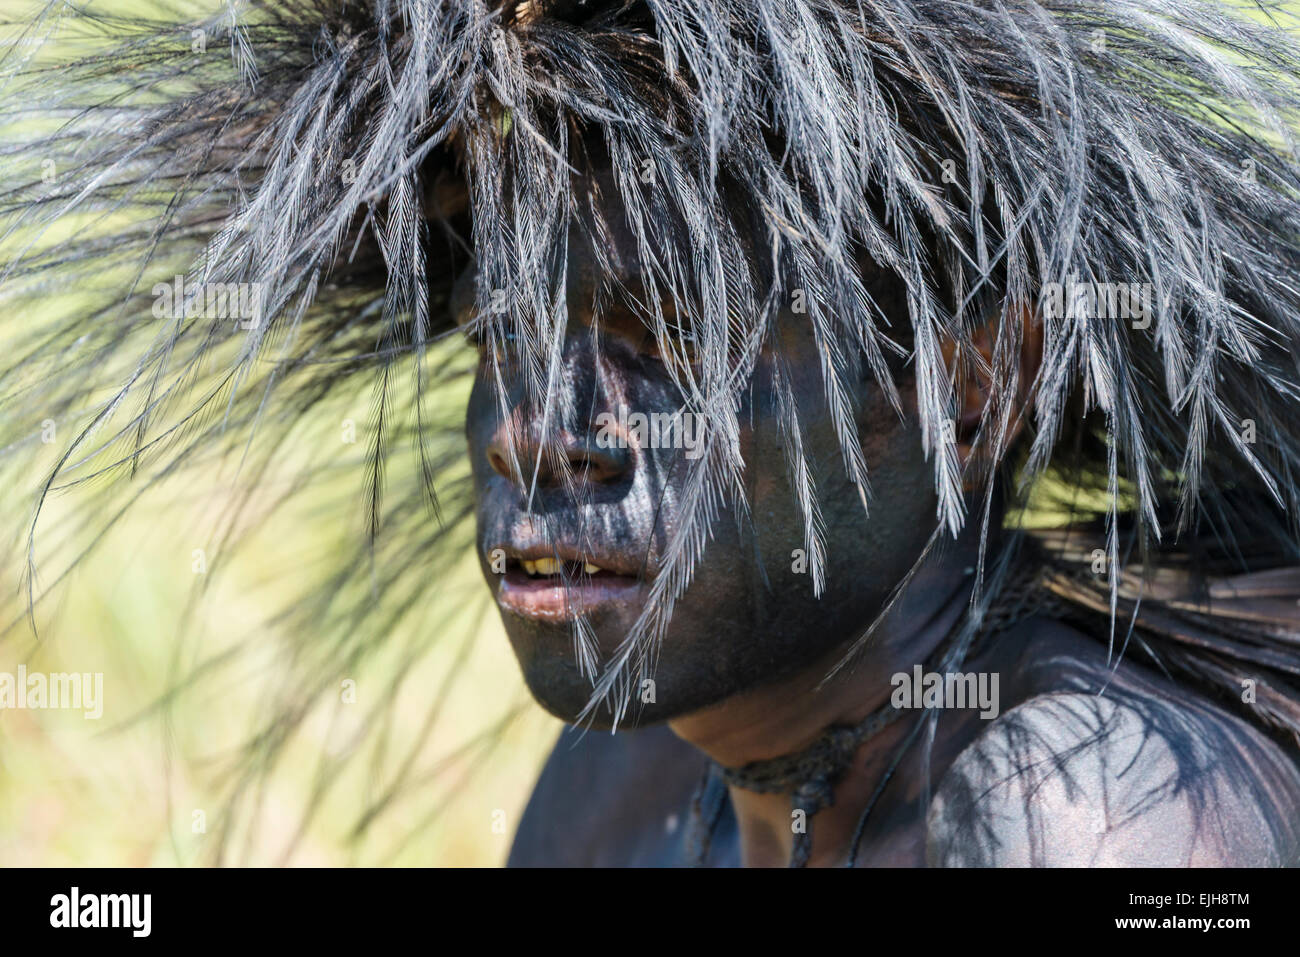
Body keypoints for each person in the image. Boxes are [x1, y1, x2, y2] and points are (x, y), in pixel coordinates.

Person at [4, 0, 1300, 866]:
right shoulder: (626, 786)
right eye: (498, 334)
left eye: (669, 342)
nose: (534, 434)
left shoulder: (1083, 819)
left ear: (971, 386)